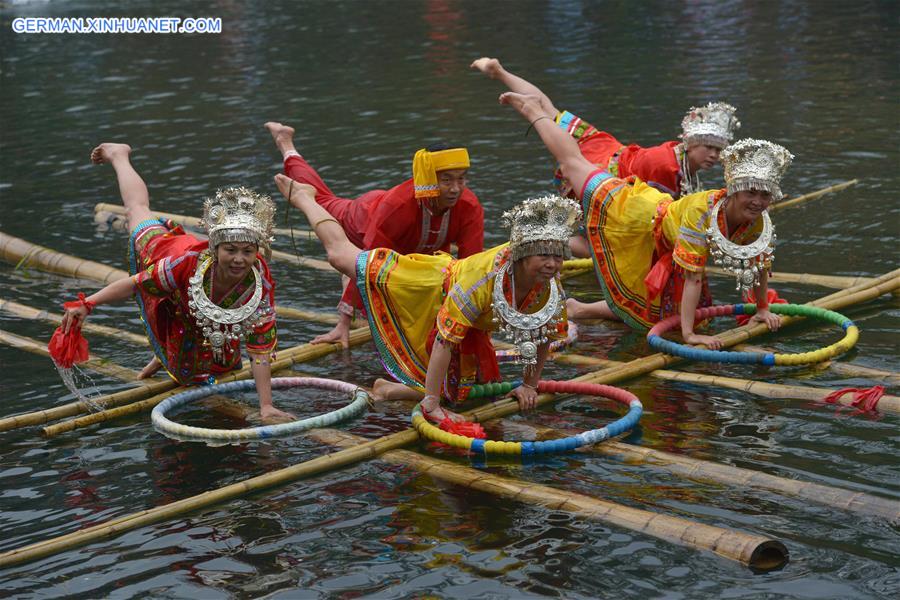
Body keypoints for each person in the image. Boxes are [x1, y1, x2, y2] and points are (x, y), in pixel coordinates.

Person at [273, 171, 578, 425]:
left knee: (465, 389)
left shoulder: (549, 286)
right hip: (426, 284)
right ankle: (304, 198)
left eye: (557, 255)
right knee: (340, 256)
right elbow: (445, 341)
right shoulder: (482, 282)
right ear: (523, 255)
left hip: (460, 310)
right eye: (543, 256)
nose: (552, 264)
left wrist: (529, 384)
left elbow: (543, 336)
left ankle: (389, 390)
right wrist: (431, 404)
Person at [498, 92, 791, 349]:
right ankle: (533, 112)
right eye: (751, 193)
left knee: (658, 312)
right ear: (733, 191)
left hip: (664, 241)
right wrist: (689, 335)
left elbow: (760, 261)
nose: (758, 202)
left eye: (765, 195)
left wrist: (763, 308)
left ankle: (578, 309)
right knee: (572, 162)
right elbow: (693, 276)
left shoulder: (758, 218)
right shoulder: (702, 214)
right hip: (633, 213)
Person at [60, 143, 294, 421]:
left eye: (247, 252)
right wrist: (88, 304)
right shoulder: (185, 265)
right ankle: (119, 156)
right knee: (137, 209)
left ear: (257, 253)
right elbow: (135, 284)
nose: (239, 260)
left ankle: (166, 354)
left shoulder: (261, 283)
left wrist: (266, 406)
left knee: (224, 365)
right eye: (230, 251)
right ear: (215, 249)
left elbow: (260, 347)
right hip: (166, 251)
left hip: (200, 310)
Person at [265, 122, 485, 348]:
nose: (456, 188)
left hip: (411, 250)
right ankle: (285, 143)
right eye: (446, 180)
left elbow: (471, 267)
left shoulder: (470, 206)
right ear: (428, 177)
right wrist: (344, 323)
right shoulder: (399, 207)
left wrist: (471, 322)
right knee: (320, 200)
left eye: (461, 179)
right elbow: (366, 263)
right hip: (365, 217)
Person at [471, 57, 739, 199]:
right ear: (691, 144)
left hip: (608, 147)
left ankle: (500, 73)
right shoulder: (667, 168)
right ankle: (528, 107)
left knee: (551, 110)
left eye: (718, 150)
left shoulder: (676, 153)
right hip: (600, 170)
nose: (714, 156)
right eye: (709, 148)